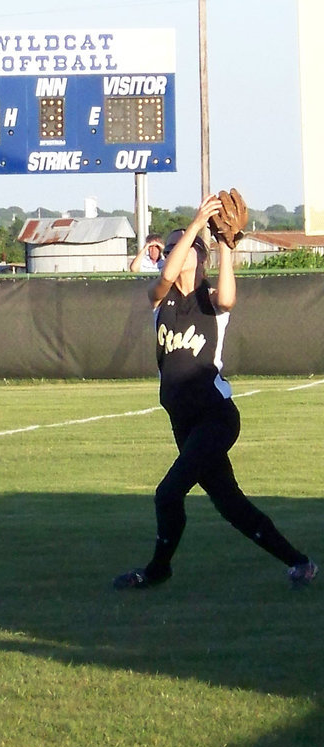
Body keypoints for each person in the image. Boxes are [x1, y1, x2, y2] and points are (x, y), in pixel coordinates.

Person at [114, 196, 316, 589]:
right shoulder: (160, 299)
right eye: (169, 248)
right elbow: (164, 278)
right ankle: (300, 563)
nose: (171, 252)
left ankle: (158, 570)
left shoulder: (209, 300)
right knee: (230, 503)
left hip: (215, 417)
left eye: (180, 247)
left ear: (199, 256)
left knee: (167, 493)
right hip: (183, 422)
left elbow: (228, 298)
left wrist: (225, 243)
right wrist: (193, 225)